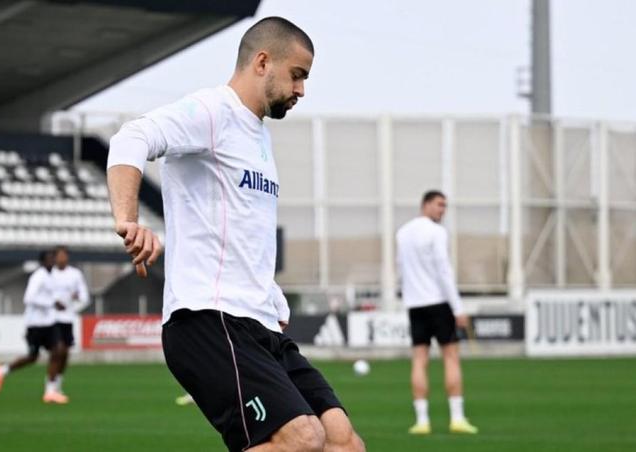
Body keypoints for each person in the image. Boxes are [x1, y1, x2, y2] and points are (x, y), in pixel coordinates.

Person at [106, 16, 364, 452]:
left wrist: (270, 293)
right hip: (208, 318)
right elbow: (131, 137)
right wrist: (128, 220)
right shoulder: (212, 112)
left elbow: (241, 229)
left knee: (342, 441)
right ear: (262, 62)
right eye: (297, 75)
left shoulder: (258, 136)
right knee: (302, 439)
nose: (301, 90)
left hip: (259, 322)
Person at [396, 190, 478, 435]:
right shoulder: (437, 232)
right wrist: (458, 307)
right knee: (451, 357)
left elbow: (401, 268)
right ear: (426, 204)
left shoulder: (402, 232)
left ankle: (422, 421)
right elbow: (444, 270)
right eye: (439, 205)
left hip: (415, 304)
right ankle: (457, 418)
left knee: (419, 360)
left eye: (445, 206)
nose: (443, 210)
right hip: (439, 302)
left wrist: (409, 296)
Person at [0, 250, 69, 404]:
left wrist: (57, 302)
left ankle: (50, 391)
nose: (52, 261)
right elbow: (29, 298)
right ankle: (1, 370)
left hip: (49, 323)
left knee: (59, 351)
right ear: (42, 262)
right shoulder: (38, 276)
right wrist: (52, 304)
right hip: (35, 324)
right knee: (32, 357)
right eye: (49, 259)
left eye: (53, 258)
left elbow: (49, 296)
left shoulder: (51, 276)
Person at [51, 245, 90, 397]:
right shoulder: (49, 274)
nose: (62, 258)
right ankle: (50, 385)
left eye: (64, 255)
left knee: (65, 353)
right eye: (59, 255)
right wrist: (53, 303)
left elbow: (85, 298)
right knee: (58, 350)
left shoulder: (75, 274)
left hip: (68, 318)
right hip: (52, 319)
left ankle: (57, 383)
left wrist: (75, 302)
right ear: (55, 257)